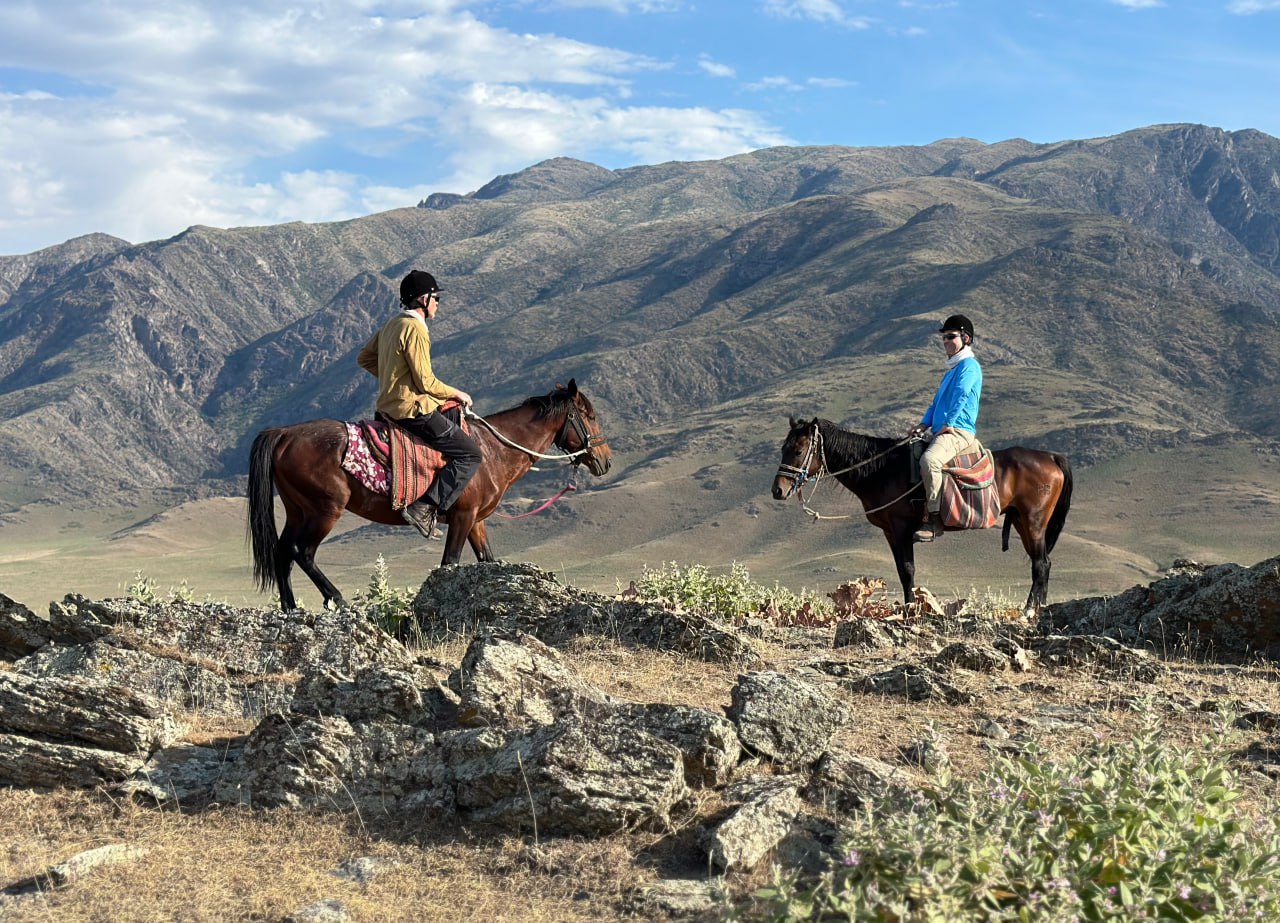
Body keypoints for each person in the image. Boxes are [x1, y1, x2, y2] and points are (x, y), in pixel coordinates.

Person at [357, 269, 482, 538]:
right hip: (412, 410)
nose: (438, 303)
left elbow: (365, 359)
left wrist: (395, 377)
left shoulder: (392, 324)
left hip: (387, 407)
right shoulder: (415, 328)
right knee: (471, 453)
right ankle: (424, 507)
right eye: (436, 298)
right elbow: (426, 382)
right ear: (424, 299)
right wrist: (457, 393)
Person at [910, 313, 982, 542]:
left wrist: (949, 423)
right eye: (943, 338)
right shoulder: (951, 371)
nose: (946, 342)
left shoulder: (969, 366)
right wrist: (922, 424)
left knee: (929, 461)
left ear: (966, 338)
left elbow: (961, 396)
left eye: (950, 337)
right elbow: (936, 403)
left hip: (958, 430)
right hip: (941, 428)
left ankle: (934, 519)